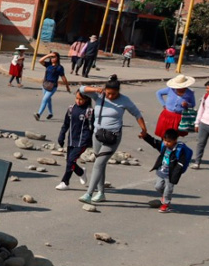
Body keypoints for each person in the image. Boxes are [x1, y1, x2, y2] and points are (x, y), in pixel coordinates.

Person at [80, 75, 148, 204]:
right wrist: (95, 89)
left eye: (114, 94)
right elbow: (82, 89)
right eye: (109, 93)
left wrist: (144, 129)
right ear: (105, 90)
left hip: (113, 137)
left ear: (119, 92)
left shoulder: (124, 100)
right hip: (97, 135)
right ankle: (101, 193)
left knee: (98, 164)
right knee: (100, 165)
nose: (111, 96)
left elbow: (137, 114)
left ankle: (89, 194)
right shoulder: (99, 96)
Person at [141, 127, 193, 213]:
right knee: (158, 187)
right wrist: (145, 136)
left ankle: (166, 204)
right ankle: (165, 197)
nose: (166, 143)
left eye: (169, 141)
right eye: (165, 140)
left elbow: (180, 164)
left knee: (168, 189)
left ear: (175, 140)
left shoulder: (179, 150)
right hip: (161, 172)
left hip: (171, 174)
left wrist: (175, 176)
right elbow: (154, 143)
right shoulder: (164, 146)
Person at [55, 91, 93, 190]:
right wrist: (61, 135)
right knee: (70, 161)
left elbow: (93, 128)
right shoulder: (71, 109)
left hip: (83, 141)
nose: (78, 101)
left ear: (86, 99)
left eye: (81, 99)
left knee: (71, 161)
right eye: (77, 98)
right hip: (71, 140)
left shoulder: (89, 111)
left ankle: (65, 182)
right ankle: (81, 172)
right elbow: (66, 124)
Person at [35, 52, 71, 120]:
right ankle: (50, 113)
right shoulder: (48, 65)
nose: (52, 59)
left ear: (57, 58)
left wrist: (67, 86)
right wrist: (48, 55)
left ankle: (38, 114)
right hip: (45, 85)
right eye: (51, 57)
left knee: (44, 99)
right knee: (48, 100)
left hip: (52, 86)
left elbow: (63, 77)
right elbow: (40, 61)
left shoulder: (59, 68)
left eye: (54, 57)